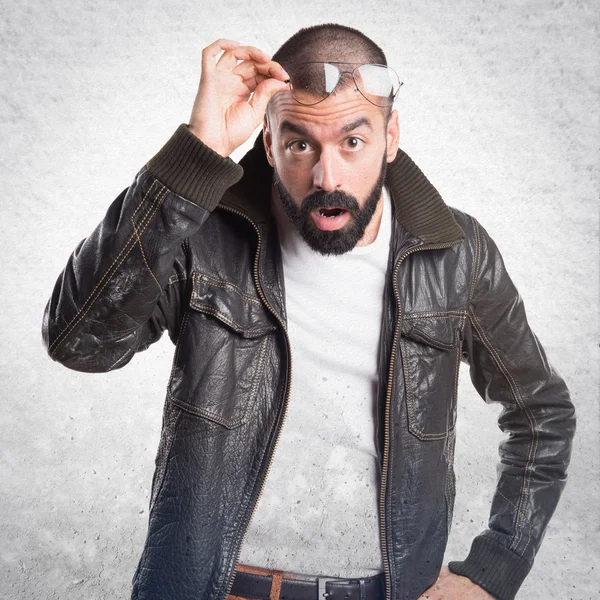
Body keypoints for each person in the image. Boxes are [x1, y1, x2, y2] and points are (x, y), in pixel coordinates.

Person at [42, 23, 576, 600]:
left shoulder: (457, 254)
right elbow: (80, 342)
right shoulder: (204, 236)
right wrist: (193, 158)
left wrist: (495, 569)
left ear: (390, 136)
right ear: (269, 145)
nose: (328, 178)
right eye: (300, 144)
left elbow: (540, 413)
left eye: (353, 142)